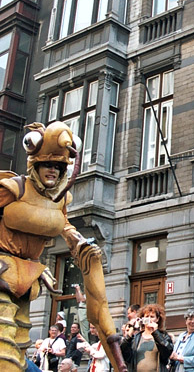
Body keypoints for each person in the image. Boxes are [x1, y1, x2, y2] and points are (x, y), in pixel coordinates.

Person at [0, 121, 126, 370]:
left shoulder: (58, 201)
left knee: (18, 343)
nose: (53, 171)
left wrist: (82, 247)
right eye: (48, 165)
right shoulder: (13, 188)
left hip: (25, 281)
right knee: (4, 347)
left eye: (59, 167)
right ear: (36, 164)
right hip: (2, 272)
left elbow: (66, 228)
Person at [121, 303, 173, 372]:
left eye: (152, 317)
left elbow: (167, 352)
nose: (149, 319)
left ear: (157, 319)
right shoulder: (137, 337)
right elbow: (125, 354)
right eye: (146, 316)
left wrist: (156, 332)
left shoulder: (163, 336)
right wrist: (130, 333)